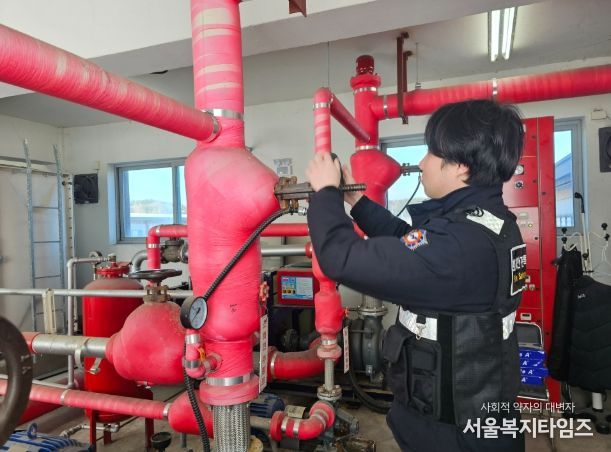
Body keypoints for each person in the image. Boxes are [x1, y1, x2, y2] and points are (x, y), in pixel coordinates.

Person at [306, 99, 527, 452]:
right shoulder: (486, 224)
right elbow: (411, 242)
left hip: (452, 436)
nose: (422, 163)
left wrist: (325, 194)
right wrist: (357, 201)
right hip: (474, 414)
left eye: (431, 153)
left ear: (461, 166)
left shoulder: (458, 245)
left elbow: (340, 258)